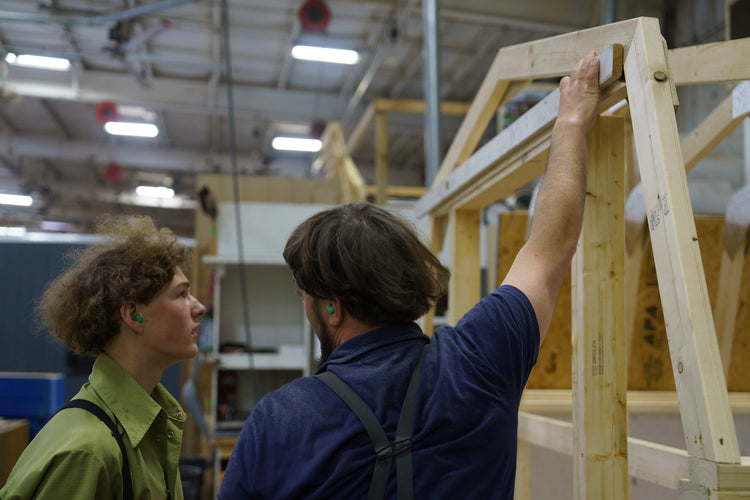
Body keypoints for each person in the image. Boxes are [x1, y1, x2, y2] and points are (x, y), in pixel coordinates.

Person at [219, 51, 601, 499]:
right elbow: (550, 247)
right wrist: (571, 123)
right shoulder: (480, 359)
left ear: (332, 307)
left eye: (304, 294)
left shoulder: (278, 420)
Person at [0, 216, 206, 499]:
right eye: (181, 294)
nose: (199, 308)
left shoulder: (153, 429)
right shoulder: (87, 451)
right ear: (134, 315)